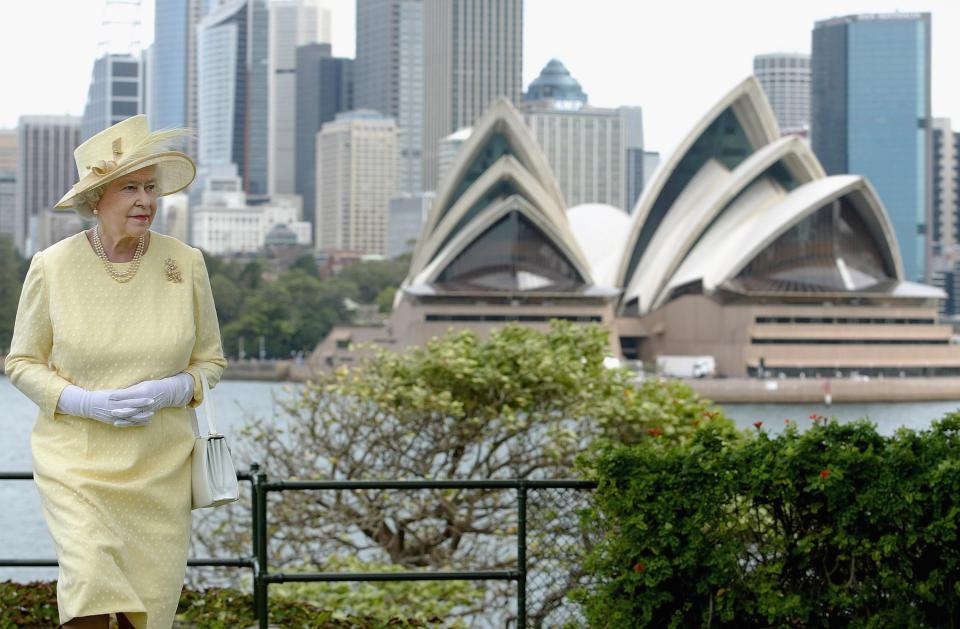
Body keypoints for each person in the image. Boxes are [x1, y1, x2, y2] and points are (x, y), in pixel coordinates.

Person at [5, 115, 227, 629]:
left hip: (160, 468)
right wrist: (87, 403)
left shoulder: (186, 262)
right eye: (130, 188)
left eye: (151, 187)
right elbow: (21, 362)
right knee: (90, 591)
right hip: (78, 465)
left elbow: (210, 361)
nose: (145, 200)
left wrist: (172, 390)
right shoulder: (52, 266)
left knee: (144, 613)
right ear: (96, 198)